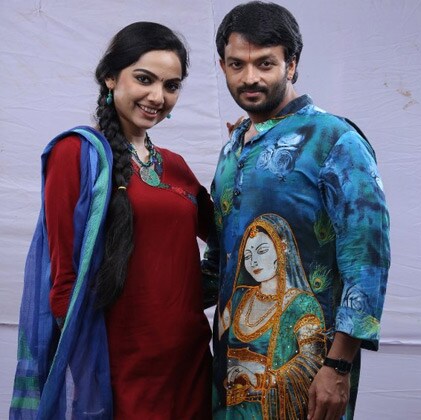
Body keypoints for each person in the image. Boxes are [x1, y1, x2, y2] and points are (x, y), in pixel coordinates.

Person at [10, 22, 216, 419]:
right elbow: (64, 282)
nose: (157, 97)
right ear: (110, 77)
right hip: (119, 365)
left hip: (189, 358)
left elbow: (230, 236)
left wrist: (243, 153)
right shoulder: (77, 154)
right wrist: (87, 380)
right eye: (144, 79)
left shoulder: (175, 166)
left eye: (171, 86)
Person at [208, 2, 391, 419]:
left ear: (292, 65)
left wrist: (338, 366)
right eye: (237, 64)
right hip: (228, 376)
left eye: (265, 63)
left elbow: (368, 261)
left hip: (304, 375)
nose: (250, 77)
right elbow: (220, 261)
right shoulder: (232, 148)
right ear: (222, 66)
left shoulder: (334, 140)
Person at [219, 213, 326, 418]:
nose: (254, 261)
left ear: (281, 249)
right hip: (229, 411)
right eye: (247, 256)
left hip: (268, 410)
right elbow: (219, 344)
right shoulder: (238, 297)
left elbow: (312, 363)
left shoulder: (302, 304)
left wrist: (261, 380)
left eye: (262, 251)